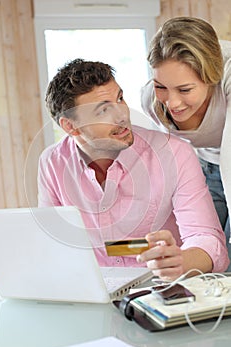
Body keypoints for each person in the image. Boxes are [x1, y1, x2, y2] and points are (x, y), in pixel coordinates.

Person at [38, 58, 229, 281]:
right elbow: (53, 241)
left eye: (120, 99)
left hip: (162, 289)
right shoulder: (52, 162)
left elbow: (207, 239)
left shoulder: (173, 153)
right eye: (103, 110)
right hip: (93, 289)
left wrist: (181, 261)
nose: (122, 115)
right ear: (70, 126)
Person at [141, 16, 231, 271]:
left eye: (185, 89)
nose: (172, 102)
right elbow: (166, 164)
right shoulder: (150, 101)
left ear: (211, 79)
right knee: (201, 256)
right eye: (161, 86)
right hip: (200, 166)